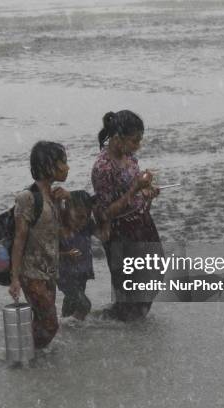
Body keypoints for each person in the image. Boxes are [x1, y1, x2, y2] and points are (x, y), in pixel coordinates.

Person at [91, 110, 164, 321]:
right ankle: (118, 325)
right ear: (117, 138)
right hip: (121, 232)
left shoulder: (129, 157)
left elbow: (136, 190)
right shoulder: (103, 168)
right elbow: (106, 213)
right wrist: (135, 189)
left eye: (139, 140)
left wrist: (148, 190)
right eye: (134, 141)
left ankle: (129, 321)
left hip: (142, 222)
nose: (137, 146)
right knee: (130, 286)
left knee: (155, 273)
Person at [8, 141, 70, 349]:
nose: (67, 167)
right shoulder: (28, 198)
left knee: (43, 319)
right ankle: (26, 353)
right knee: (51, 323)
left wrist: (64, 203)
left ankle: (28, 355)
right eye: (63, 162)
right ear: (49, 166)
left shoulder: (53, 197)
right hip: (31, 273)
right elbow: (19, 239)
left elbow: (60, 232)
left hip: (49, 271)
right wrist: (15, 278)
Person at [57, 190, 108, 320]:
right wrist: (66, 254)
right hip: (65, 275)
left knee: (71, 302)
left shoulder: (88, 224)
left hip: (82, 272)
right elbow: (48, 253)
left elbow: (103, 236)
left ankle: (65, 325)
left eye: (87, 216)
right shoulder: (60, 226)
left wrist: (103, 217)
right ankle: (73, 323)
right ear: (67, 209)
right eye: (79, 217)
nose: (83, 221)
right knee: (84, 305)